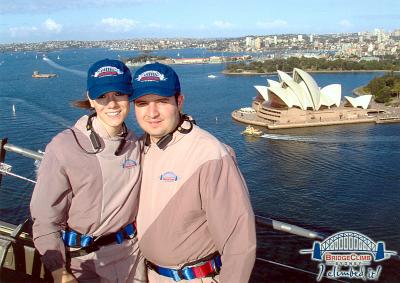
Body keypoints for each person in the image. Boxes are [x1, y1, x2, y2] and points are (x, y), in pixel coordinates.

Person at [132, 62, 256, 283]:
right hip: (147, 274)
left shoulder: (210, 154)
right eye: (142, 103)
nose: (151, 113)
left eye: (161, 101)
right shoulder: (140, 148)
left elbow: (238, 241)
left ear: (179, 102)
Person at [30, 59, 146, 283]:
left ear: (129, 96)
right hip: (83, 263)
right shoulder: (64, 147)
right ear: (91, 99)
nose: (111, 104)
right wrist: (59, 272)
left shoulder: (136, 143)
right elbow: (45, 218)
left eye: (119, 94)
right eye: (102, 96)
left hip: (130, 259)